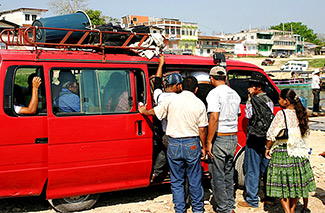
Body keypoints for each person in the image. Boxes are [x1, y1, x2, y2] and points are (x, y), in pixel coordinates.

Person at [139, 77, 208, 213]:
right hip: (192, 143)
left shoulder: (171, 100)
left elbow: (155, 112)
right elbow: (203, 129)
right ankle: (198, 210)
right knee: (194, 179)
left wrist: (143, 111)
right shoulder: (199, 104)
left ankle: (180, 209)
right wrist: (204, 147)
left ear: (181, 87)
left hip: (174, 143)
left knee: (177, 180)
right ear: (196, 89)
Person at [265, 89, 316, 213]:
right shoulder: (302, 113)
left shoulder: (282, 114)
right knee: (295, 185)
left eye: (280, 99)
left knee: (283, 186)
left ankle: (288, 212)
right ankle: (292, 210)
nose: (278, 101)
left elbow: (271, 134)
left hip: (283, 153)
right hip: (299, 154)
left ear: (286, 101)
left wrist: (267, 148)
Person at [205, 66, 241, 213]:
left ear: (211, 79)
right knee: (228, 173)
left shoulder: (213, 94)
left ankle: (223, 208)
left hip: (220, 137)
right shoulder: (235, 94)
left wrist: (208, 142)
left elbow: (214, 117)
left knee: (217, 175)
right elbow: (237, 115)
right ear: (225, 78)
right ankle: (230, 204)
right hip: (233, 137)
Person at [238, 72, 274, 209]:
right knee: (266, 168)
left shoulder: (253, 100)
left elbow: (248, 114)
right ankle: (269, 197)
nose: (248, 88)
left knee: (252, 168)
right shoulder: (269, 100)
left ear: (257, 87)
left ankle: (252, 200)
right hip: (266, 138)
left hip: (254, 137)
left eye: (251, 86)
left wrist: (249, 99)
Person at [151, 55, 183, 182]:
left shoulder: (160, 97)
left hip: (165, 135)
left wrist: (160, 64)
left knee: (164, 152)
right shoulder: (181, 99)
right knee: (177, 161)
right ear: (177, 86)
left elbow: (157, 81)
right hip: (177, 137)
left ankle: (155, 173)